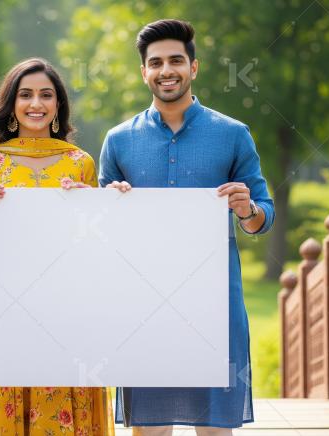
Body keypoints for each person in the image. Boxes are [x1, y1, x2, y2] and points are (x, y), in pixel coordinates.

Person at [99, 19, 275, 435]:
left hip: (215, 303)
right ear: (144, 72)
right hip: (143, 306)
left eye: (176, 60)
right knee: (149, 429)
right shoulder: (119, 140)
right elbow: (97, 231)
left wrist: (247, 208)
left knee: (214, 428)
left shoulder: (233, 135)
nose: (166, 70)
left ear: (194, 67)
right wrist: (110, 204)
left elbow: (262, 216)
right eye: (155, 62)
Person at [0, 57, 114, 436]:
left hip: (62, 300)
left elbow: (94, 247)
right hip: (0, 299)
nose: (36, 103)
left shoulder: (79, 163)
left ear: (57, 106)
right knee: (2, 392)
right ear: (12, 105)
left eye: (46, 95)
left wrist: (90, 206)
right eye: (26, 95)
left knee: (57, 394)